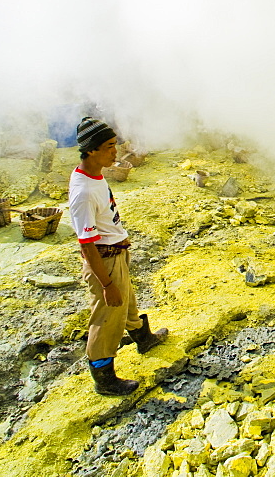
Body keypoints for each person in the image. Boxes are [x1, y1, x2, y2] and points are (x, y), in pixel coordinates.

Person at [68, 116, 168, 396]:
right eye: (110, 146)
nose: (116, 152)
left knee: (127, 302)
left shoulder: (94, 175)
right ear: (91, 150)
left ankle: (144, 339)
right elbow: (87, 245)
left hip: (114, 253)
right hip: (103, 260)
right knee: (107, 316)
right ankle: (104, 378)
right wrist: (106, 284)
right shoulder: (83, 192)